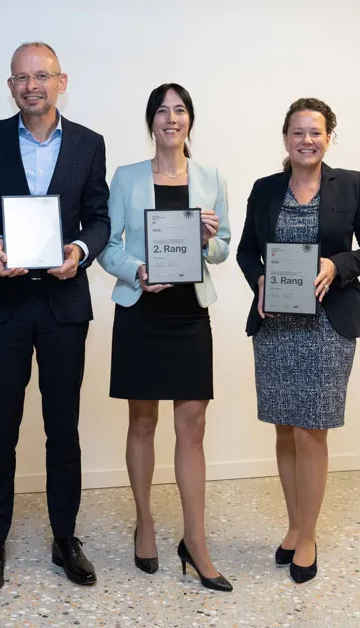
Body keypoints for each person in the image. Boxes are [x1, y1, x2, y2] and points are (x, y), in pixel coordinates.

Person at [0, 41, 110, 591]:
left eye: (42, 76)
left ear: (61, 81)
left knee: (63, 428)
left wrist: (80, 252)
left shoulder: (89, 143)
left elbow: (98, 218)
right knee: (0, 427)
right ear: (10, 86)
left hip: (64, 305)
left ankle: (65, 537)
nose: (31, 86)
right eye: (21, 77)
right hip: (4, 304)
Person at [236, 98, 360, 584]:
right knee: (284, 427)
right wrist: (259, 280)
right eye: (298, 132)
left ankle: (308, 536)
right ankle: (294, 524)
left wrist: (336, 265)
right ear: (286, 138)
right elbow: (246, 253)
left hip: (328, 323)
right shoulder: (264, 189)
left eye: (316, 132)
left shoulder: (353, 185)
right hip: (277, 324)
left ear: (329, 138)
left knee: (311, 430)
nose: (307, 140)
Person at [98, 83, 233, 592]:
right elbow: (107, 246)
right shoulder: (126, 177)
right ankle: (145, 522)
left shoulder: (211, 176)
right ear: (151, 121)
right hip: (142, 312)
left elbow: (222, 247)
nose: (171, 119)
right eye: (162, 111)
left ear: (189, 120)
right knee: (141, 422)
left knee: (192, 429)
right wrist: (137, 270)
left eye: (179, 110)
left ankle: (195, 541)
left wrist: (207, 240)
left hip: (189, 315)